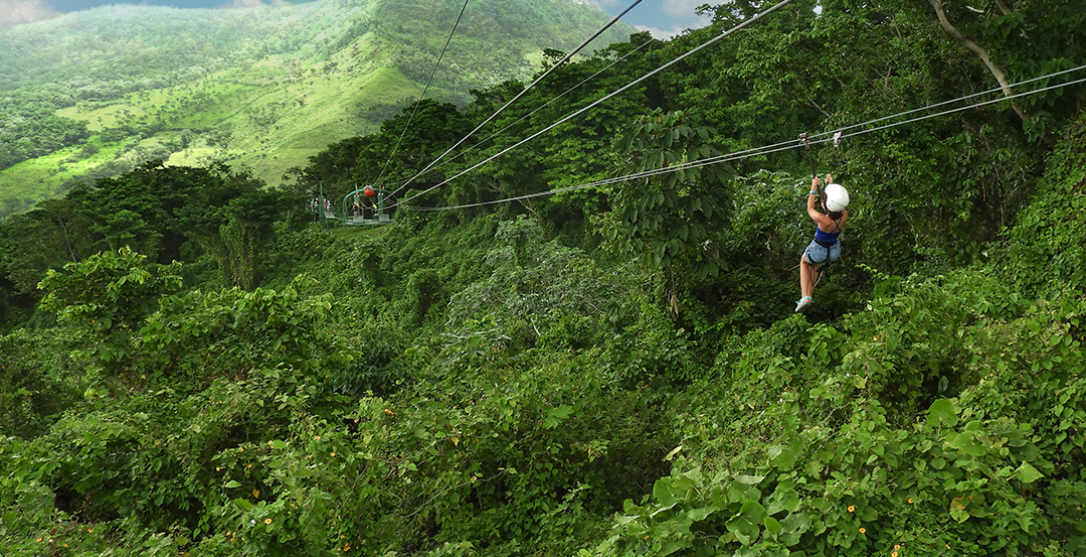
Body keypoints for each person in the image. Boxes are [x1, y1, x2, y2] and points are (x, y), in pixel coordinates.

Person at [796, 174, 849, 313]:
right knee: (814, 264)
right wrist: (829, 187)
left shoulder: (823, 220)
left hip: (818, 249)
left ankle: (805, 296)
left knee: (804, 262)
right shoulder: (844, 215)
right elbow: (836, 203)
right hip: (833, 252)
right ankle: (809, 295)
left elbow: (810, 209)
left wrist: (813, 189)